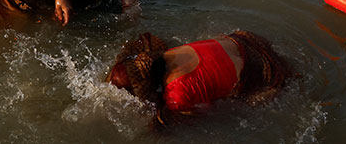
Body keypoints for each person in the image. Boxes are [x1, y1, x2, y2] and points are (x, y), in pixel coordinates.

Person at [107, 30, 290, 122]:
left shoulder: (176, 97)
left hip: (265, 76)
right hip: (247, 40)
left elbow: (209, 112)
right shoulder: (166, 54)